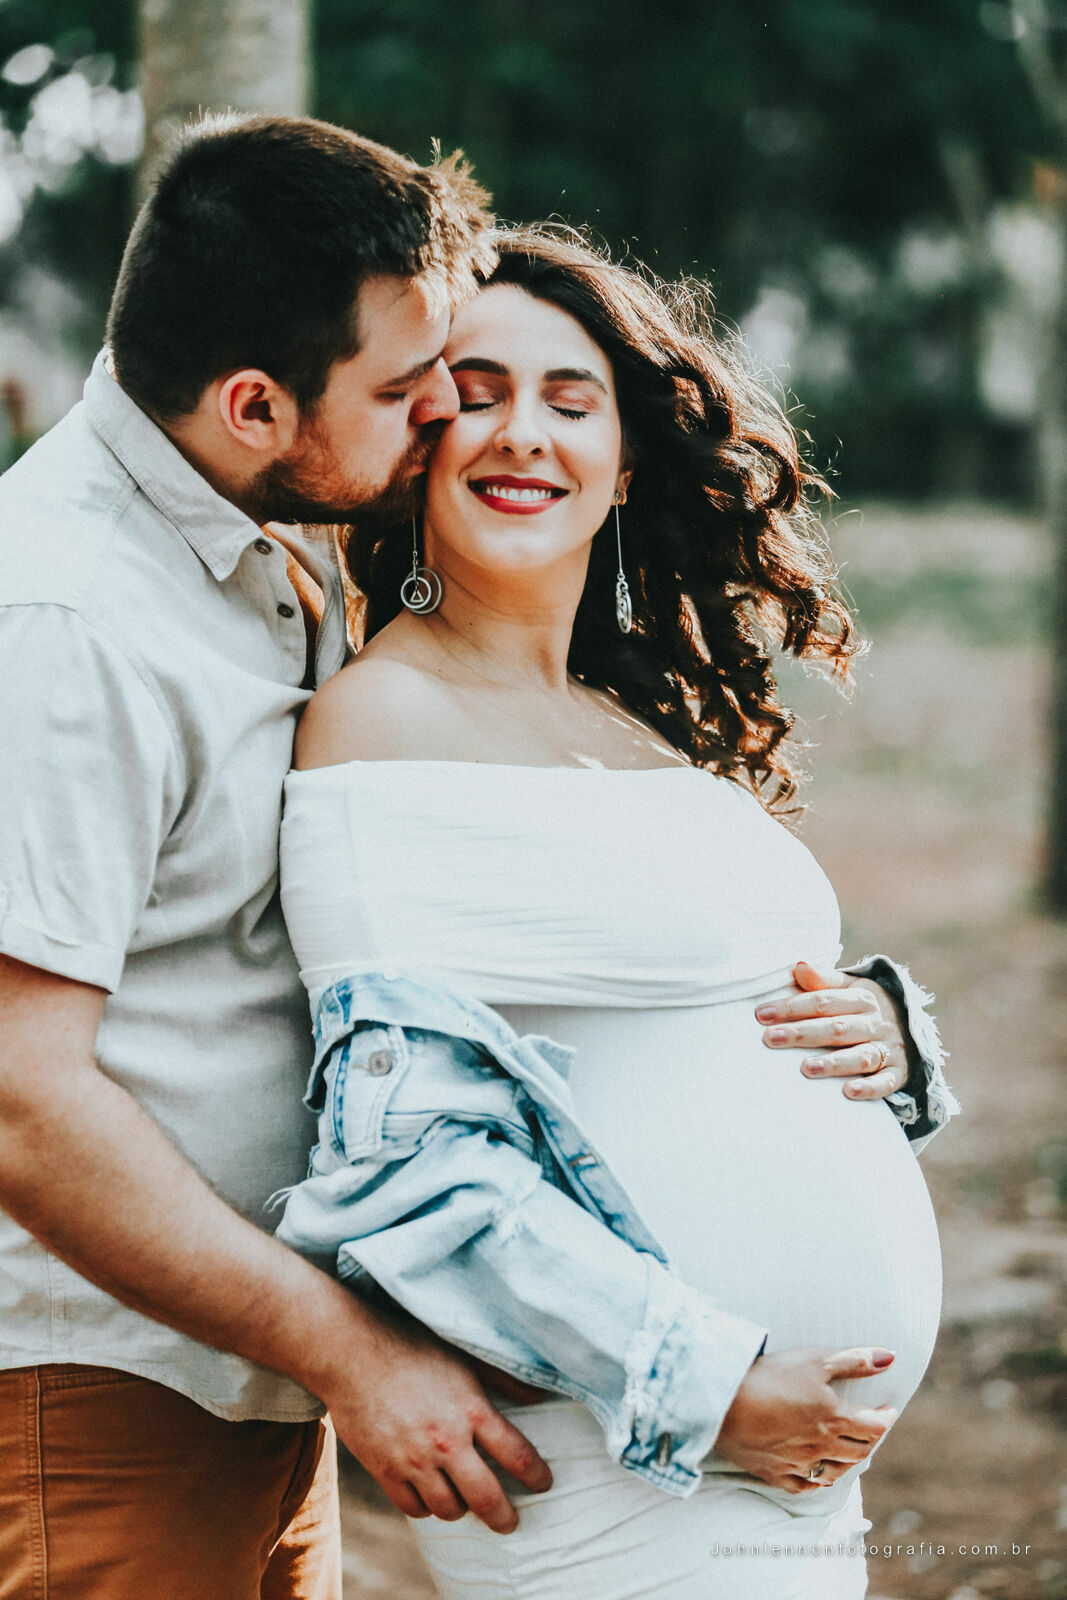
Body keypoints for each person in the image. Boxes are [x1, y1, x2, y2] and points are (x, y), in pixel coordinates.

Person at [276, 226, 957, 1600]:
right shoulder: (383, 720)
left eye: (570, 401)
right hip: (622, 1458)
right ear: (414, 447)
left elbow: (710, 999)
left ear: (626, 459)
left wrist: (892, 1033)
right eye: (475, 396)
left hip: (781, 1465)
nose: (523, 433)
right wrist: (709, 1392)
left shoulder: (625, 720)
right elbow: (408, 1164)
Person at [0, 113, 561, 1600]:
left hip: (243, 1374)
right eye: (401, 384)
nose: (444, 405)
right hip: (95, 1399)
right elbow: (19, 1100)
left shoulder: (263, 529)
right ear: (253, 403)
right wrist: (349, 1352)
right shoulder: (62, 624)